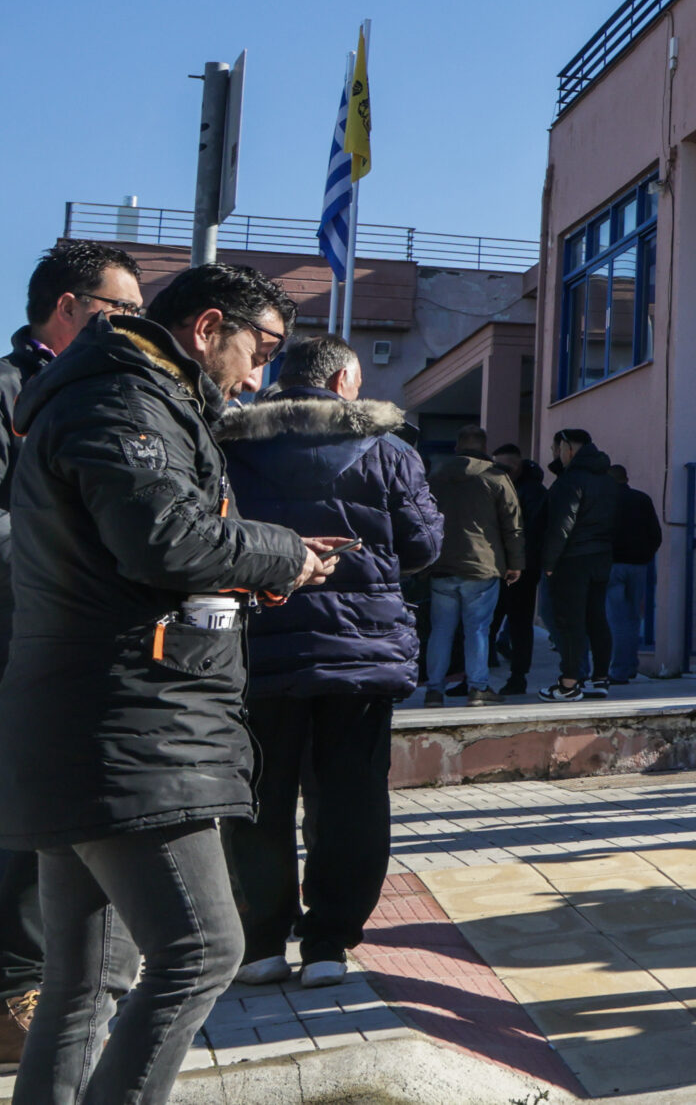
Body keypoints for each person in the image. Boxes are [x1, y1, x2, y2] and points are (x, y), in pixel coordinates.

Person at [0, 262, 336, 1105]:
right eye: (259, 350)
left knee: (86, 981)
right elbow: (164, 539)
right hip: (129, 725)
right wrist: (281, 551)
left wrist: (268, 560)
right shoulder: (122, 400)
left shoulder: (124, 396)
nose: (257, 377)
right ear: (207, 326)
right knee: (203, 950)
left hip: (99, 722)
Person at [217, 333, 443, 987]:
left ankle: (261, 943)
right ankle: (327, 944)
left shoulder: (229, 447)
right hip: (359, 653)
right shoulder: (390, 451)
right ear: (343, 381)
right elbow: (424, 544)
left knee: (258, 796)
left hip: (258, 645)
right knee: (351, 798)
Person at [0, 241, 142, 1060]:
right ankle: (17, 987)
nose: (134, 327)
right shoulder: (11, 389)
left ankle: (43, 980)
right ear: (68, 307)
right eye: (123, 310)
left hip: (74, 638)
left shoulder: (108, 395)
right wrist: (75, 545)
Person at [422, 424, 522, 705]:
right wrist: (516, 563)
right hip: (482, 565)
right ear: (485, 448)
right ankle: (478, 688)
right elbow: (512, 524)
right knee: (477, 629)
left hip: (442, 564)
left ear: (457, 446)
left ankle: (433, 690)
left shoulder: (436, 477)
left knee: (440, 631)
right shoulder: (496, 477)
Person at [539, 429, 620, 701]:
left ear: (568, 448)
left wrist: (549, 562)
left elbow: (562, 524)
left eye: (558, 449)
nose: (557, 454)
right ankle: (600, 678)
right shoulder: (607, 480)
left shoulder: (571, 480)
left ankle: (569, 683)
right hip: (601, 557)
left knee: (570, 622)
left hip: (572, 559)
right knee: (597, 618)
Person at [488, 442, 547, 695]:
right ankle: (482, 675)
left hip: (522, 567)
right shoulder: (506, 486)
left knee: (518, 623)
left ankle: (518, 676)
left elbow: (533, 531)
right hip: (502, 565)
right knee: (491, 621)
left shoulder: (532, 491)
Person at [605, 464, 661, 685]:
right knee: (633, 618)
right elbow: (655, 534)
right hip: (639, 566)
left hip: (613, 566)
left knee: (617, 620)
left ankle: (619, 670)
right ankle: (630, 665)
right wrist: (645, 555)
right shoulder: (642, 499)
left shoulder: (606, 500)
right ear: (626, 479)